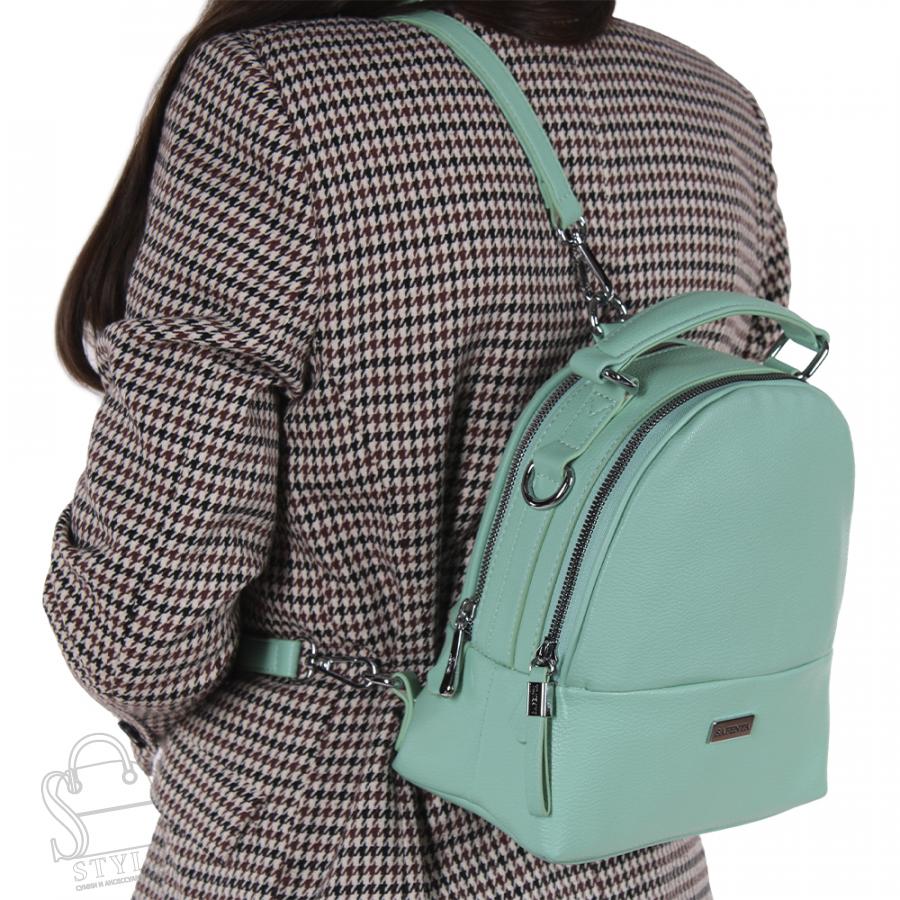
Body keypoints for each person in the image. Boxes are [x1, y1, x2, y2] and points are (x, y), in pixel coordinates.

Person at [42, 1, 788, 897]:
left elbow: (138, 628)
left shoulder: (276, 95)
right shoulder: (715, 107)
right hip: (630, 844)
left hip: (323, 838)